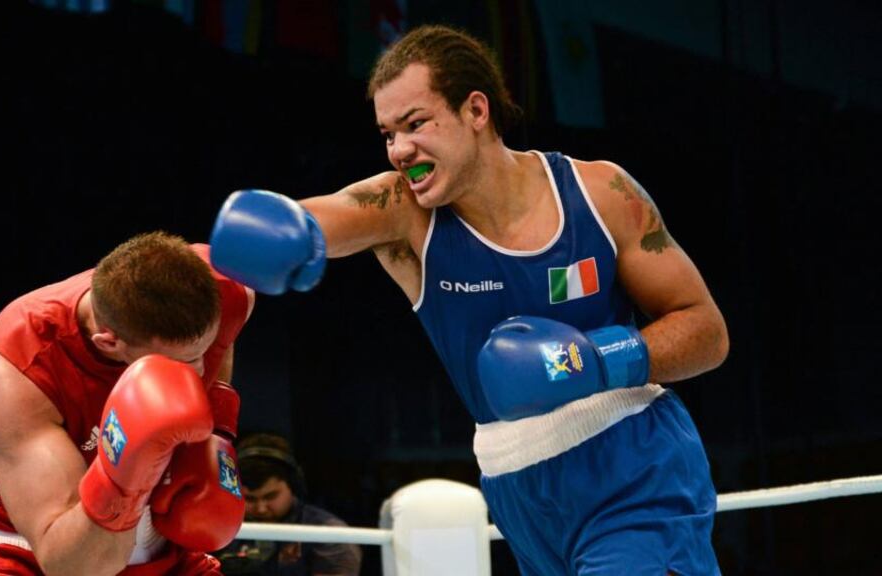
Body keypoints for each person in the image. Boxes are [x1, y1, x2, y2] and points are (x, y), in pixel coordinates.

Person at [209, 24, 729, 576]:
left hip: (633, 467)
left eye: (416, 124)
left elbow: (706, 331)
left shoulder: (599, 194)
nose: (400, 149)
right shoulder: (404, 212)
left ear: (475, 111)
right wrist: (282, 231)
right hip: (521, 492)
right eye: (387, 134)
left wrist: (593, 362)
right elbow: (312, 217)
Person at [0, 231, 256, 575]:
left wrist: (217, 430)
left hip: (165, 543)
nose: (196, 372)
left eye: (201, 353)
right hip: (34, 552)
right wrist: (129, 473)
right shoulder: (18, 364)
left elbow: (331, 214)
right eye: (180, 363)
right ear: (109, 342)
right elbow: (71, 565)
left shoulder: (220, 285)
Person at [216, 434, 362, 576]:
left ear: (294, 486)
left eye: (271, 496)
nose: (261, 509)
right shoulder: (218, 531)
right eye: (250, 499)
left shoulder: (330, 535)